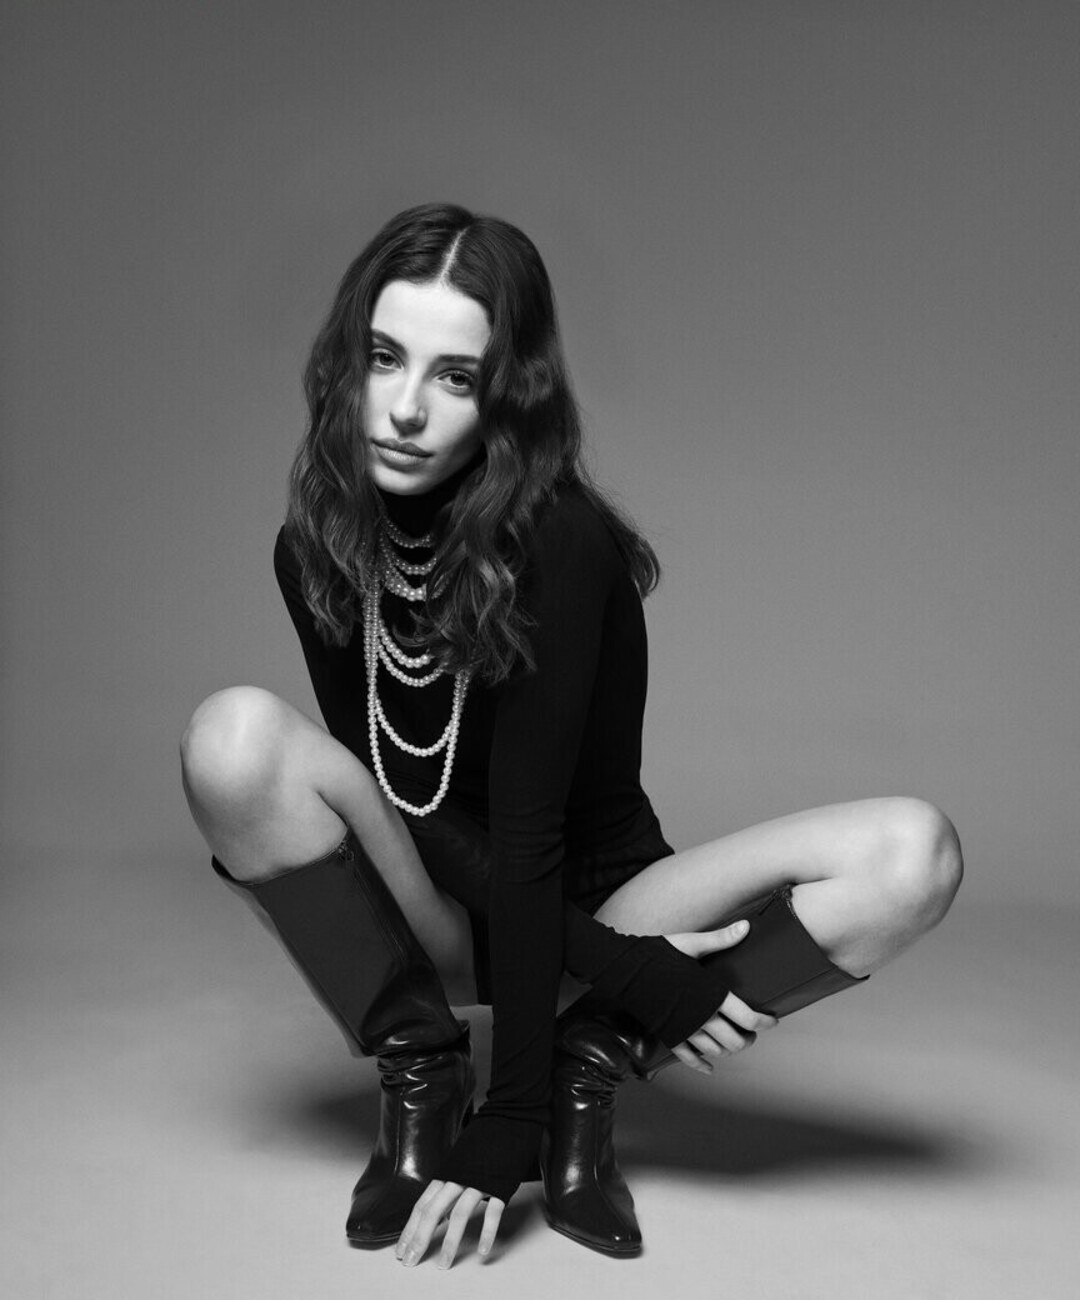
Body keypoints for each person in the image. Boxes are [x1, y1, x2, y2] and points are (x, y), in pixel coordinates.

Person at [179, 202, 963, 1269]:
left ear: (508, 394)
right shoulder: (317, 545)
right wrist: (639, 976)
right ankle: (423, 1071)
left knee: (914, 852)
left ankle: (580, 1071)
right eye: (385, 358)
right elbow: (401, 799)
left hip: (599, 900)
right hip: (444, 909)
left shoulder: (561, 542)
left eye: (455, 377)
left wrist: (525, 1107)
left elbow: (531, 839)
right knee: (230, 736)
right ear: (345, 363)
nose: (405, 408)